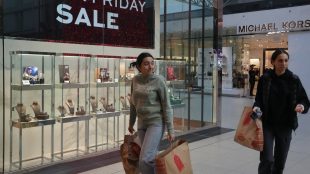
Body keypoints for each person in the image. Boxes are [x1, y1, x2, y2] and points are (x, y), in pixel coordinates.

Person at [251, 48, 310, 174]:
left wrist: (301, 106)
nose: (283, 63)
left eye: (286, 60)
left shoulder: (294, 80)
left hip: (285, 125)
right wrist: (256, 107)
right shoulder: (265, 79)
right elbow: (259, 99)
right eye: (280, 60)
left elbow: (304, 99)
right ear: (273, 62)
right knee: (267, 159)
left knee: (280, 161)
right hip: (267, 124)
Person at [128, 52, 175, 174]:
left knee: (144, 160)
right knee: (150, 157)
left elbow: (167, 105)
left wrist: (170, 129)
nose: (150, 66)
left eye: (152, 63)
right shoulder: (135, 80)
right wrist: (131, 123)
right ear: (139, 66)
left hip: (156, 123)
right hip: (141, 124)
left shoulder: (159, 80)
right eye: (146, 64)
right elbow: (133, 103)